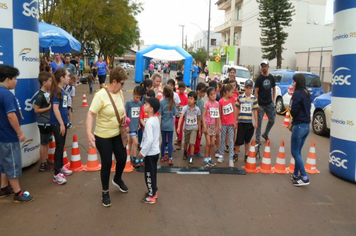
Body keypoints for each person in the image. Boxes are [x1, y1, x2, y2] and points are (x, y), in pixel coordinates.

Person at [86, 66, 129, 207]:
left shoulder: (120, 92)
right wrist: (88, 132)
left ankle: (117, 178)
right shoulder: (101, 95)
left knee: (122, 158)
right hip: (103, 135)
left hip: (117, 133)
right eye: (122, 83)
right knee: (107, 163)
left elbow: (121, 108)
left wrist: (124, 117)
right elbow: (91, 114)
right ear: (114, 81)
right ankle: (105, 192)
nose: (123, 86)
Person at [0, 65, 35, 203]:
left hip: (2, 135)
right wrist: (19, 133)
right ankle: (18, 193)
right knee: (13, 163)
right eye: (15, 79)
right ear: (8, 79)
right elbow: (11, 116)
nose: (17, 81)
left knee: (4, 163)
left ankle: (3, 188)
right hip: (8, 135)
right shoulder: (7, 95)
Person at [50, 68, 73, 185]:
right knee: (59, 147)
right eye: (67, 76)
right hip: (57, 123)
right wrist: (61, 124)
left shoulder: (62, 90)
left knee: (61, 145)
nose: (69, 78)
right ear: (61, 78)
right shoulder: (56, 91)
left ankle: (61, 167)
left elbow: (63, 107)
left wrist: (66, 121)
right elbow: (55, 109)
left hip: (62, 122)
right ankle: (56, 174)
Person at [290, 73, 311, 186]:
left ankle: (304, 177)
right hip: (306, 126)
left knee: (294, 152)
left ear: (297, 82)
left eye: (293, 81)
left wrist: (292, 110)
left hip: (299, 126)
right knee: (298, 152)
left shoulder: (298, 94)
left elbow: (294, 111)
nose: (292, 83)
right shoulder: (307, 93)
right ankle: (295, 174)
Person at [138, 97, 161, 204]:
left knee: (148, 175)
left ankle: (151, 196)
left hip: (150, 153)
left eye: (146, 104)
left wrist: (142, 153)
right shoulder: (155, 119)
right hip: (155, 152)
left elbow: (149, 140)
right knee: (153, 173)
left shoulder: (149, 123)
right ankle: (154, 191)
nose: (144, 106)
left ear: (151, 109)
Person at [234, 79, 258, 162]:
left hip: (249, 122)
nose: (248, 89)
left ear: (252, 89)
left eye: (250, 88)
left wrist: (256, 122)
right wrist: (235, 120)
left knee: (247, 140)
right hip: (241, 122)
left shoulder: (254, 98)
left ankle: (246, 155)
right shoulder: (240, 97)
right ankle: (236, 154)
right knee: (239, 139)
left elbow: (255, 110)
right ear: (244, 88)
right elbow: (237, 109)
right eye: (247, 88)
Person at [34, 71, 54, 172]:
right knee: (43, 143)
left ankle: (46, 160)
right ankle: (42, 163)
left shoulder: (47, 93)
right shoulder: (40, 95)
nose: (51, 83)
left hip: (49, 122)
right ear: (44, 82)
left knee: (47, 143)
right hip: (43, 122)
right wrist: (48, 108)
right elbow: (36, 110)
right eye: (50, 81)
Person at [177, 91, 201, 167]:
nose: (189, 100)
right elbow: (181, 117)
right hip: (187, 128)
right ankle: (185, 152)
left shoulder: (197, 109)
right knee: (186, 142)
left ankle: (191, 157)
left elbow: (198, 120)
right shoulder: (185, 108)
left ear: (195, 101)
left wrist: (200, 130)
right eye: (189, 98)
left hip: (194, 128)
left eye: (191, 98)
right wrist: (178, 126)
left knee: (192, 143)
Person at [254, 60, 276, 144]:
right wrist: (257, 104)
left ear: (268, 67)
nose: (264, 68)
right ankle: (257, 138)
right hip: (261, 104)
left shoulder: (271, 78)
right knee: (259, 122)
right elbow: (256, 92)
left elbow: (274, 89)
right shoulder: (259, 78)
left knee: (272, 120)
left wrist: (273, 100)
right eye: (262, 66)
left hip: (269, 103)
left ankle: (266, 133)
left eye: (265, 66)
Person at [217, 84, 237, 167]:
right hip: (224, 123)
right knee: (222, 139)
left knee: (231, 141)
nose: (233, 94)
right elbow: (219, 114)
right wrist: (219, 124)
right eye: (232, 92)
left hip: (231, 123)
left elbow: (234, 110)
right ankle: (221, 155)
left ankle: (231, 158)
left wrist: (235, 121)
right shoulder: (221, 101)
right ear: (227, 92)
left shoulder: (232, 99)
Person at [125, 86, 144, 167]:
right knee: (136, 143)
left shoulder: (140, 103)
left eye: (139, 98)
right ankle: (134, 159)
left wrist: (139, 123)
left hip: (136, 126)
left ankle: (127, 155)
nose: (137, 99)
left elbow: (139, 115)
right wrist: (126, 125)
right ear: (133, 94)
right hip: (131, 126)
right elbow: (125, 114)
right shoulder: (129, 103)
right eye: (136, 97)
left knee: (131, 141)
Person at [158, 85, 177, 165]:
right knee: (170, 141)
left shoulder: (162, 102)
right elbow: (175, 113)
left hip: (163, 125)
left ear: (164, 93)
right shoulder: (173, 102)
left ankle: (162, 156)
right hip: (170, 125)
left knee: (163, 142)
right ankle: (170, 158)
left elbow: (160, 113)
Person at [187, 82, 206, 158]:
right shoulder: (196, 100)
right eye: (203, 92)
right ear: (198, 91)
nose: (204, 94)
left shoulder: (201, 100)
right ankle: (189, 152)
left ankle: (196, 150)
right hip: (195, 122)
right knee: (193, 138)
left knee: (199, 136)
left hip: (200, 122)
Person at [202, 87, 219, 167]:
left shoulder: (217, 104)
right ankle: (206, 159)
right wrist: (204, 126)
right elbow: (203, 115)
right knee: (208, 143)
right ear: (208, 96)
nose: (213, 96)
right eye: (211, 94)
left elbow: (217, 116)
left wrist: (217, 126)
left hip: (213, 125)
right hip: (208, 125)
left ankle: (210, 158)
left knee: (212, 144)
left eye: (214, 94)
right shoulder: (207, 103)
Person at [175, 81, 188, 150]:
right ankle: (178, 139)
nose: (182, 91)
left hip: (181, 116)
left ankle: (180, 142)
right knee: (176, 128)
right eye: (180, 89)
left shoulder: (185, 98)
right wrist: (176, 105)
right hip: (176, 115)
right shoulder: (177, 95)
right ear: (178, 89)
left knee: (180, 128)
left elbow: (186, 108)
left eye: (183, 89)